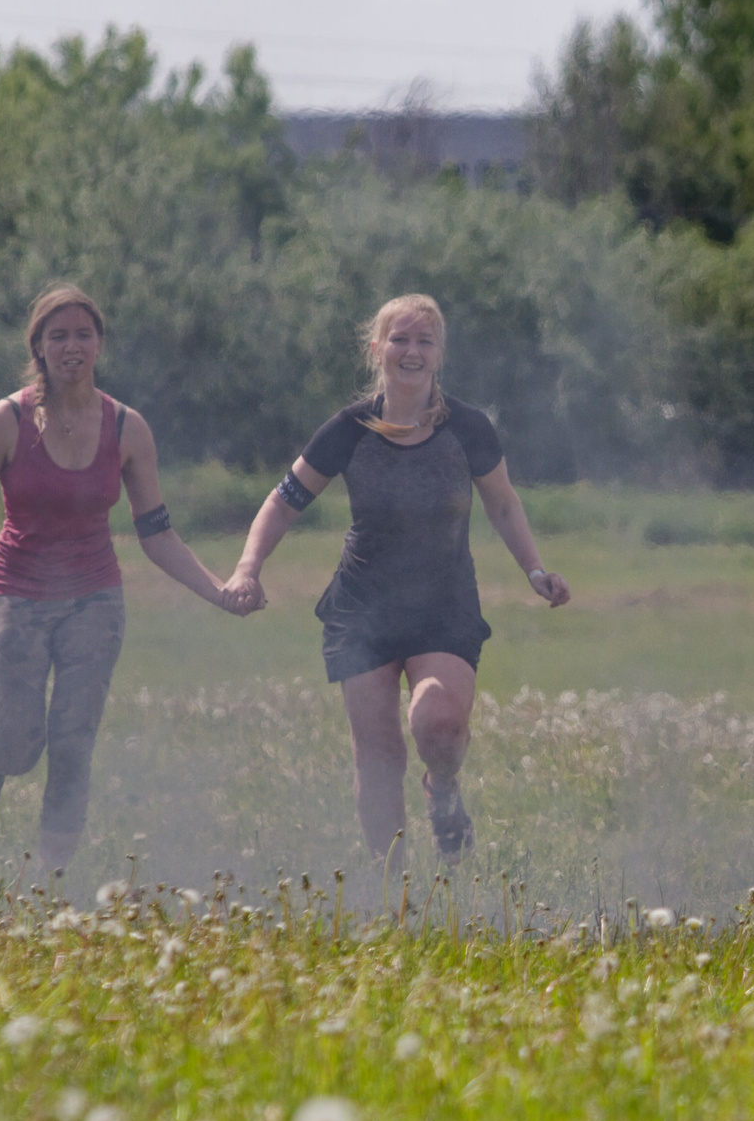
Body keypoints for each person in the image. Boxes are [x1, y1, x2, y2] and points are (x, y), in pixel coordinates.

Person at [226, 295, 569, 866]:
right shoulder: (348, 429)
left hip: (444, 604)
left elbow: (504, 505)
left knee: (437, 720)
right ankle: (395, 894)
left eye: (424, 341)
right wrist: (247, 568)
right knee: (379, 754)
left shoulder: (469, 428)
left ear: (439, 355)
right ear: (377, 350)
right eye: (400, 339)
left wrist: (535, 569)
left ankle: (445, 789)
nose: (411, 351)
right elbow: (283, 503)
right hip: (364, 607)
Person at [0, 285, 253, 873]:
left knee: (74, 744)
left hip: (95, 603)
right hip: (15, 599)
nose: (72, 345)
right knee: (22, 744)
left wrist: (218, 590)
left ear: (99, 343)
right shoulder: (6, 421)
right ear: (39, 347)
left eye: (83, 334)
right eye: (58, 335)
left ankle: (53, 880)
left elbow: (157, 533)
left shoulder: (127, 428)